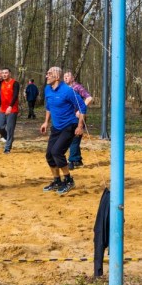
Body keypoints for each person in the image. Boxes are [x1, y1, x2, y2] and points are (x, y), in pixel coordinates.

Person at [40, 66, 86, 194]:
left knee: (57, 152)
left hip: (69, 125)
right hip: (56, 127)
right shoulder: (48, 89)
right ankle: (57, 181)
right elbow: (49, 107)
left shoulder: (68, 91)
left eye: (49, 74)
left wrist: (80, 126)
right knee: (49, 155)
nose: (46, 76)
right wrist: (46, 122)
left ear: (57, 77)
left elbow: (82, 107)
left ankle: (69, 180)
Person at [63, 71, 93, 169]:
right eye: (64, 76)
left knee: (74, 138)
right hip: (68, 117)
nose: (65, 78)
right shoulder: (64, 88)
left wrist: (80, 110)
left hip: (78, 118)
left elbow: (89, 98)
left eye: (68, 76)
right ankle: (77, 159)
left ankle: (71, 161)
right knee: (73, 138)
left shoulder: (77, 87)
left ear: (73, 78)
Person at [0, 67, 20, 153]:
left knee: (10, 128)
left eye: (6, 73)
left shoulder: (15, 83)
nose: (4, 74)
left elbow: (15, 95)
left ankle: (7, 148)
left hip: (12, 109)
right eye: (3, 73)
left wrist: (10, 106)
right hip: (2, 108)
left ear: (10, 74)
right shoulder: (1, 83)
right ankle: (10, 138)